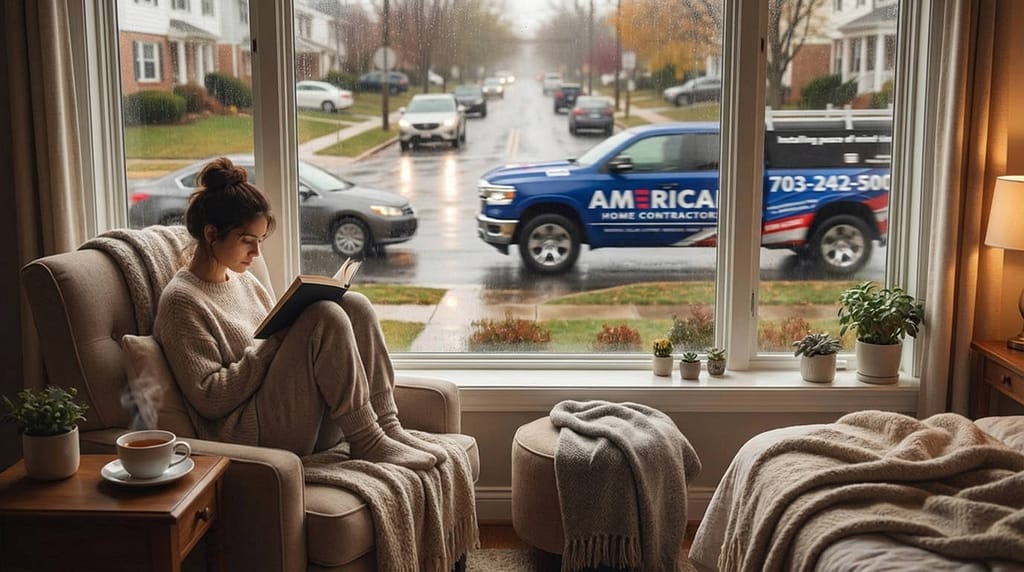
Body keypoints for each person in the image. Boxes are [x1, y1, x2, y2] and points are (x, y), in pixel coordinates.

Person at [153, 157, 446, 469]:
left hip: (296, 416)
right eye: (247, 241)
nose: (256, 253)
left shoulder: (244, 280)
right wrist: (276, 343)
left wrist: (282, 335)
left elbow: (275, 347)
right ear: (212, 234)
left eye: (260, 241)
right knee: (325, 316)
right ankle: (367, 441)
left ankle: (386, 427)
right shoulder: (182, 301)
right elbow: (211, 399)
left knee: (355, 305)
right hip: (250, 434)